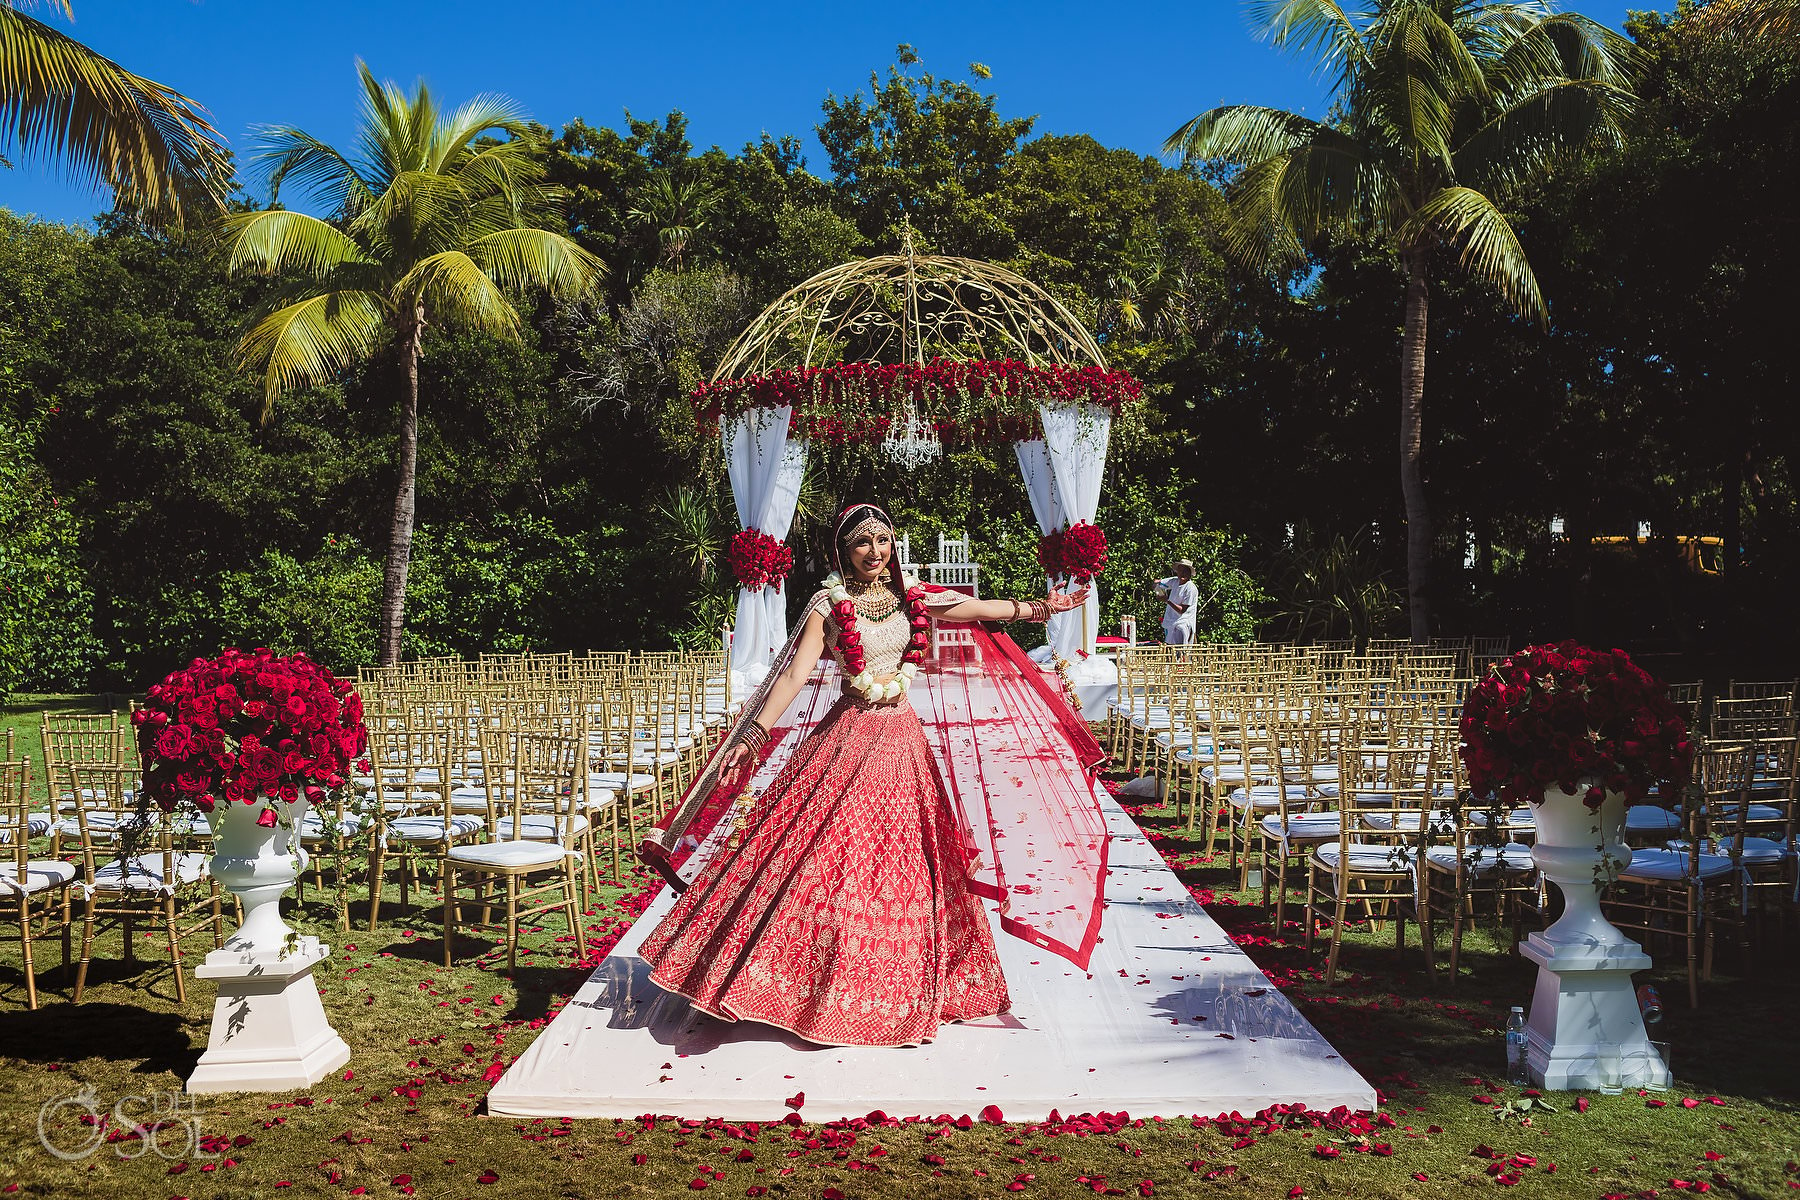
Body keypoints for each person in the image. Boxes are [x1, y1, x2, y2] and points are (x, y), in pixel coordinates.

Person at [637, 503, 1089, 1048]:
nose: (876, 552)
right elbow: (794, 675)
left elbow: (973, 608)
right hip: (848, 739)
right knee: (829, 854)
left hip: (902, 744)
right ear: (842, 551)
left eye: (884, 540)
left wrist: (1039, 607)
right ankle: (801, 979)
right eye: (863, 543)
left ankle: (897, 980)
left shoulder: (912, 595)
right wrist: (755, 733)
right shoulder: (829, 605)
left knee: (903, 859)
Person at [1154, 558, 1198, 644]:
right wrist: (1157, 589)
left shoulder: (1190, 588)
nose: (1182, 573)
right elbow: (1157, 583)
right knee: (1171, 651)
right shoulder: (1175, 581)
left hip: (1183, 623)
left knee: (1181, 652)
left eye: (1185, 571)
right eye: (1180, 570)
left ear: (1189, 573)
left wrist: (1167, 600)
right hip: (1171, 623)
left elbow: (1182, 610)